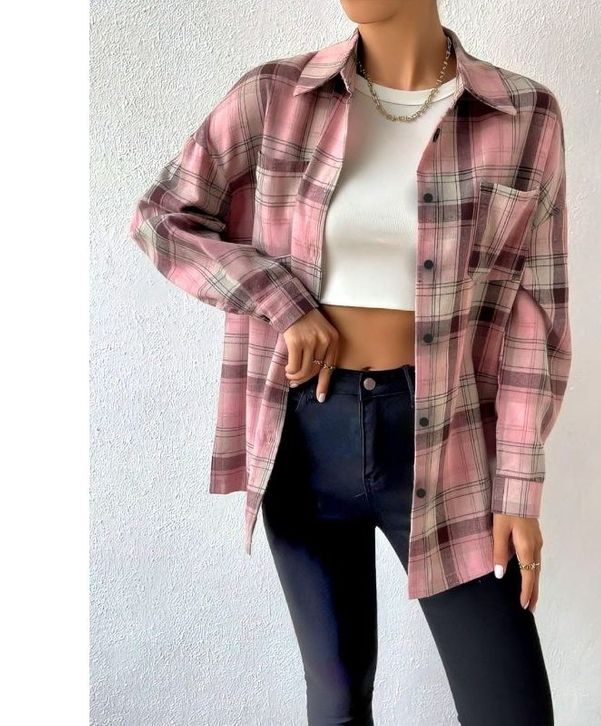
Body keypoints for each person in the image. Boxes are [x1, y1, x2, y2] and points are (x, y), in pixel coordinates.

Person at [128, 2, 571, 724]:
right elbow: (162, 218)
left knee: (509, 708)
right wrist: (279, 298)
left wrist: (519, 483)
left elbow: (535, 314)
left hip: (446, 437)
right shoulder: (274, 96)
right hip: (304, 434)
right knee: (337, 700)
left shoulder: (524, 114)